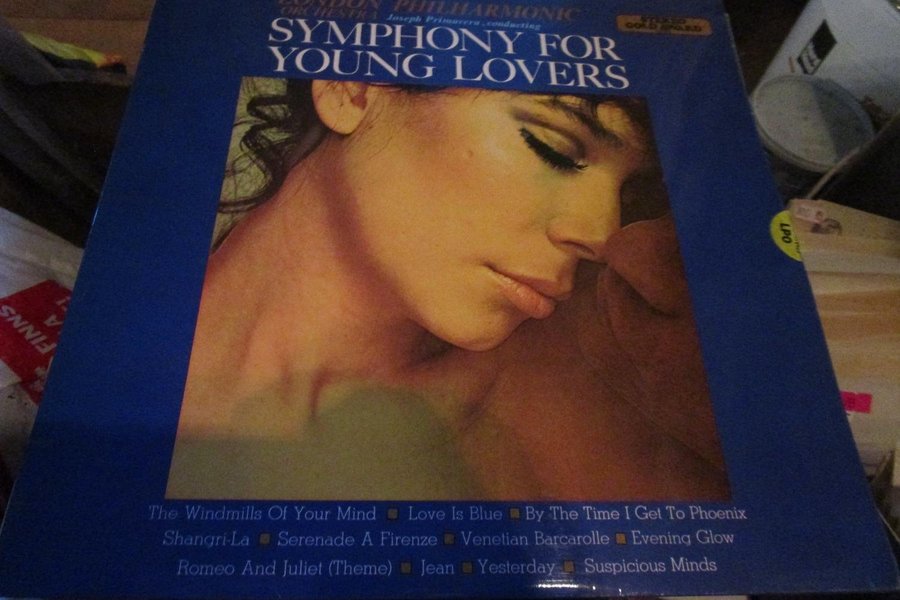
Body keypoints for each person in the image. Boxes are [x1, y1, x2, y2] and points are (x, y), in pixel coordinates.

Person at [166, 77, 730, 501]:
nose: (602, 235)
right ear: (352, 89)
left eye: (629, 196)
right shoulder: (133, 319)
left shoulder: (559, 435)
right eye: (553, 146)